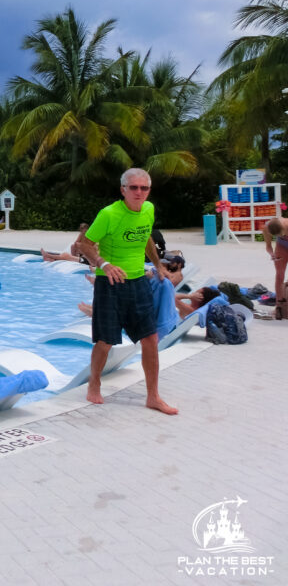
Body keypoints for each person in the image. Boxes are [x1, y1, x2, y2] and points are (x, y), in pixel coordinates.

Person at [75, 167, 177, 414]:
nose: (139, 192)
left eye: (144, 188)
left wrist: (157, 266)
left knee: (150, 339)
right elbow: (83, 245)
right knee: (106, 341)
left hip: (138, 281)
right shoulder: (109, 214)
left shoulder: (149, 210)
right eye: (133, 187)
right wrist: (104, 264)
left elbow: (146, 239)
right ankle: (94, 382)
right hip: (109, 283)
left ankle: (153, 396)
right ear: (123, 190)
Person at [262, 216, 288, 318]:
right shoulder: (266, 228)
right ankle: (279, 306)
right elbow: (268, 246)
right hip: (281, 246)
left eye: (283, 234)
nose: (284, 235)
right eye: (280, 235)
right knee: (279, 275)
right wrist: (272, 254)